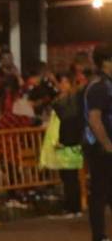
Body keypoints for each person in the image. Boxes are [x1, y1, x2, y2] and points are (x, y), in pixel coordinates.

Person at [81, 44, 112, 241]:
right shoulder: (100, 87)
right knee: (100, 193)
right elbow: (95, 119)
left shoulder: (106, 84)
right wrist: (107, 145)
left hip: (105, 147)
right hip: (100, 148)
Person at [42, 72, 85, 219]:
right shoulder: (66, 100)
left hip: (68, 144)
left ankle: (73, 208)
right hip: (65, 143)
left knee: (70, 177)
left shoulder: (71, 101)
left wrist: (65, 140)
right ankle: (74, 207)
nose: (62, 85)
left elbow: (68, 122)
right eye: (61, 82)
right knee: (68, 177)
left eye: (65, 82)